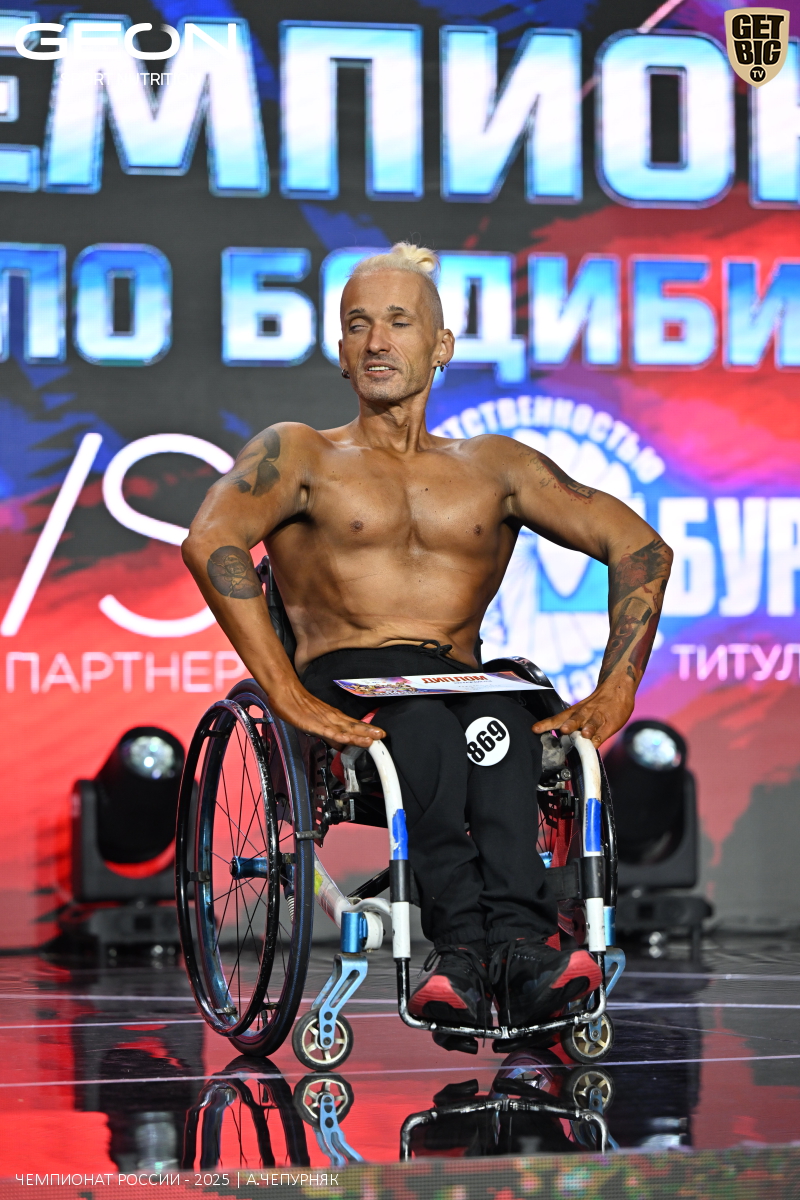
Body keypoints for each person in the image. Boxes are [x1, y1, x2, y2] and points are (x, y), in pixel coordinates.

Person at [182, 243, 672, 1039]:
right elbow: (211, 540)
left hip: (459, 683)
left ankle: (522, 951)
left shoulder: (495, 466)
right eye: (358, 325)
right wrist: (283, 692)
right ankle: (463, 954)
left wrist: (619, 687)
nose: (377, 341)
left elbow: (641, 546)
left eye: (399, 322)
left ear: (441, 345)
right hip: (352, 680)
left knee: (503, 727)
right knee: (424, 734)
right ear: (341, 352)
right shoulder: (300, 452)